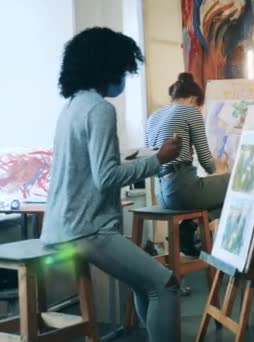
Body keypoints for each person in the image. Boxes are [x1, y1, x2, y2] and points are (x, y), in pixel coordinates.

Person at [41, 27, 181, 342]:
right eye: (123, 69)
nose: (124, 76)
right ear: (109, 66)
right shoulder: (100, 109)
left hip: (62, 226)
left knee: (145, 284)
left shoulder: (73, 106)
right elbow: (107, 177)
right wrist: (158, 159)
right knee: (165, 284)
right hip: (87, 230)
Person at [145, 72, 230, 256]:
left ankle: (189, 227)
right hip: (182, 189)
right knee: (235, 183)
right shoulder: (190, 111)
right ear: (193, 100)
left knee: (215, 192)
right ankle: (191, 227)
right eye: (201, 107)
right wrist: (221, 166)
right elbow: (207, 163)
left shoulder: (153, 117)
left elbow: (150, 158)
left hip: (160, 193)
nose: (201, 112)